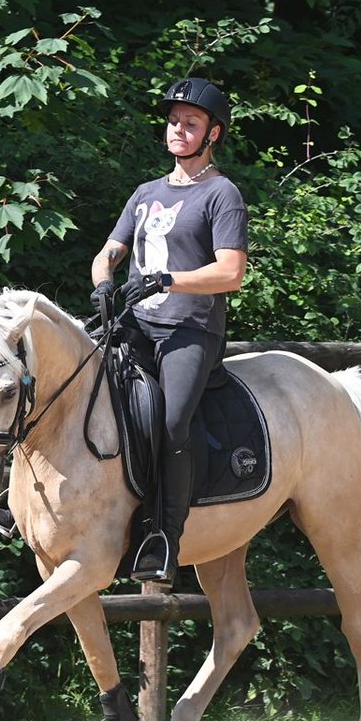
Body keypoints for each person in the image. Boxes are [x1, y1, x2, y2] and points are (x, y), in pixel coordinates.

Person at [91, 77, 249, 583]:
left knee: (171, 422)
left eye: (192, 123)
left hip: (190, 328)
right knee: (75, 387)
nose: (179, 130)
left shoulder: (222, 194)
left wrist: (168, 280)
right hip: (135, 322)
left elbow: (231, 273)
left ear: (213, 134)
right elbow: (110, 251)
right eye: (174, 121)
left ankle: (163, 536)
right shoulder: (145, 193)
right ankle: (19, 497)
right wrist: (103, 283)